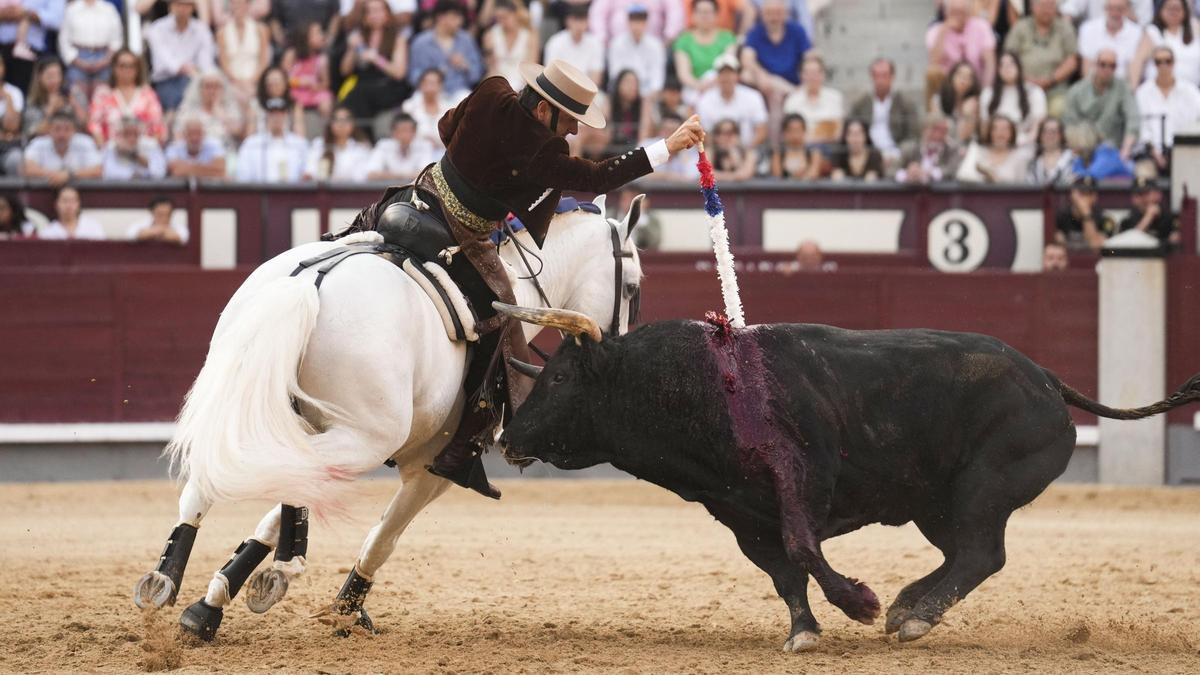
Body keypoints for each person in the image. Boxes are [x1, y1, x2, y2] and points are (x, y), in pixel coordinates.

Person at [350, 61, 704, 499]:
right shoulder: (544, 153)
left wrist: (477, 168)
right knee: (501, 322)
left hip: (418, 195)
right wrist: (666, 146)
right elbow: (598, 178)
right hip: (465, 235)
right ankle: (463, 446)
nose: (573, 131)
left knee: (353, 240)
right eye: (570, 120)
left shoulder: (490, 88)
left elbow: (446, 128)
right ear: (543, 112)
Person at [340, 0, 410, 136]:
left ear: (387, 14)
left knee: (361, 96)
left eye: (378, 11)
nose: (374, 15)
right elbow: (344, 71)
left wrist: (376, 58)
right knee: (352, 98)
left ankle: (367, 137)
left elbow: (399, 73)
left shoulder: (397, 38)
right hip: (363, 85)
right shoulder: (359, 37)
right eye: (369, 11)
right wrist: (352, 50)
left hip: (386, 86)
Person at [1062, 47, 1141, 160]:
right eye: (1103, 64)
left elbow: (1133, 119)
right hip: (1083, 150)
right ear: (1095, 65)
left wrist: (1126, 150)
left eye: (1112, 66)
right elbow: (1069, 124)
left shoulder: (1123, 88)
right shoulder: (1077, 91)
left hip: (1114, 150)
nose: (1107, 69)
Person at [1003, 0, 1079, 116]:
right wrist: (1024, 79)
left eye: (1050, 6)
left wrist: (1051, 80)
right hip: (1022, 87)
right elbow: (1009, 57)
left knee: (1060, 108)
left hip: (1055, 88)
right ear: (1032, 7)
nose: (1046, 10)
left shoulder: (1065, 28)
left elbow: (1072, 60)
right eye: (1042, 5)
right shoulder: (1020, 27)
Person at [740, 0, 810, 120]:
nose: (774, 17)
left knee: (775, 94)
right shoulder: (756, 32)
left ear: (785, 14)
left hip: (792, 80)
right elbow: (747, 58)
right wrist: (762, 75)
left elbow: (809, 55)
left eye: (778, 13)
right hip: (766, 82)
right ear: (763, 15)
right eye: (770, 13)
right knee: (748, 76)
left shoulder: (797, 30)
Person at [1135, 45, 1200, 172]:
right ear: (1154, 65)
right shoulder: (1143, 93)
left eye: (1167, 61)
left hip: (1186, 150)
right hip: (1151, 154)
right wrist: (1155, 153)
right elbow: (1142, 129)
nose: (1163, 65)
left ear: (1174, 62)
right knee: (1143, 173)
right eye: (1158, 62)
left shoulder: (1190, 91)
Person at [144, 0, 218, 112]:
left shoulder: (201, 29)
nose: (182, 8)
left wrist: (198, 73)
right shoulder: (157, 28)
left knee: (211, 88)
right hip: (166, 81)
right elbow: (165, 61)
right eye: (179, 4)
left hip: (195, 79)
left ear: (193, 8)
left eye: (187, 5)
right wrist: (186, 69)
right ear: (171, 7)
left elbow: (206, 61)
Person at [848, 58, 920, 167]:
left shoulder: (906, 104)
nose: (880, 80)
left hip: (896, 154)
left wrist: (897, 155)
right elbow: (850, 130)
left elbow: (912, 136)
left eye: (884, 75)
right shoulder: (860, 104)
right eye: (876, 75)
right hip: (867, 155)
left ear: (892, 77)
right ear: (871, 77)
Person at [88, 48, 168, 145]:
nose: (126, 70)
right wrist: (104, 151)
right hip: (112, 149)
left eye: (131, 66)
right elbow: (94, 125)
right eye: (122, 66)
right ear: (114, 68)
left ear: (137, 69)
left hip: (143, 152)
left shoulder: (147, 94)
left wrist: (149, 152)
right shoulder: (103, 93)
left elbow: (158, 126)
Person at [407, 0, 483, 98]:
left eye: (460, 17)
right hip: (428, 93)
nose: (460, 22)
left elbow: (477, 74)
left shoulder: (466, 40)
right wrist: (430, 77)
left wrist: (465, 65)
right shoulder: (420, 42)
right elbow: (413, 75)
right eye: (454, 17)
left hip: (459, 91)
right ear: (440, 17)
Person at [695, 52, 768, 148]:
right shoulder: (705, 100)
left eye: (730, 73)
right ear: (717, 76)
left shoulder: (753, 96)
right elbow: (704, 134)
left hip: (747, 150)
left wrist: (746, 150)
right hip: (717, 152)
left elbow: (762, 130)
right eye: (722, 73)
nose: (726, 77)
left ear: (737, 75)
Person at [926, 0, 996, 97]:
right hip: (948, 85)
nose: (958, 16)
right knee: (932, 73)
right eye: (954, 12)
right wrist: (944, 30)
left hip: (975, 82)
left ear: (969, 12)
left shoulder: (981, 26)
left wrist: (986, 91)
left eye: (961, 12)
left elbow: (989, 63)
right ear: (946, 12)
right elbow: (933, 62)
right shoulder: (935, 31)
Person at [980, 51, 1047, 149]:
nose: (1007, 68)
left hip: (1024, 144)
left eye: (1011, 64)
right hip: (994, 145)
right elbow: (985, 127)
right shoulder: (988, 93)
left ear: (1019, 67)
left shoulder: (1034, 92)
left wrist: (1023, 143)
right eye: (1002, 65)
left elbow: (1036, 129)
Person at [58, 0, 124, 98]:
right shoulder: (72, 9)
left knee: (103, 97)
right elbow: (63, 39)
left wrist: (106, 60)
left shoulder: (109, 9)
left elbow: (117, 39)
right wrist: (76, 61)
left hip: (104, 57)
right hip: (78, 57)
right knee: (77, 97)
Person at [235, 96, 309, 181]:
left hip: (291, 192)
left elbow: (307, 172)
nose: (276, 117)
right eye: (272, 113)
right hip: (260, 191)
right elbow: (243, 175)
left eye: (280, 113)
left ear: (286, 115)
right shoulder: (252, 143)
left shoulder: (299, 143)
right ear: (266, 116)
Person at [1128, 0, 1200, 87]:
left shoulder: (1195, 27)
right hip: (1157, 92)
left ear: (1184, 11)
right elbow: (1137, 62)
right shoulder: (1152, 32)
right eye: (1169, 9)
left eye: (1177, 9)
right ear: (1161, 10)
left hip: (1192, 93)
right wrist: (1132, 89)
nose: (1173, 12)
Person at [673, 0, 737, 98]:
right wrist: (699, 85)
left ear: (716, 15)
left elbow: (728, 65)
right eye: (700, 12)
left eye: (708, 12)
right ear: (693, 15)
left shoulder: (727, 38)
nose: (704, 16)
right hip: (694, 88)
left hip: (721, 85)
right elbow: (683, 73)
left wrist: (712, 83)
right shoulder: (684, 40)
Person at [24, 109, 102, 186]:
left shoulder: (85, 142)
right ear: (49, 130)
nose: (62, 134)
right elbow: (25, 168)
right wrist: (56, 175)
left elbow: (97, 170)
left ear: (74, 131)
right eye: (57, 129)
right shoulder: (38, 143)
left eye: (67, 129)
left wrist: (69, 175)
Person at [173, 70, 246, 148]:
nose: (212, 91)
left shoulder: (230, 108)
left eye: (216, 87)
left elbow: (237, 132)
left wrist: (218, 110)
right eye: (208, 87)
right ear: (200, 89)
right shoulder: (189, 110)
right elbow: (178, 137)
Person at [606, 3, 667, 97]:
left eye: (640, 20)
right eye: (634, 20)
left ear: (646, 22)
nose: (637, 25)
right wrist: (627, 90)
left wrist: (649, 95)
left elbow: (657, 78)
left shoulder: (656, 45)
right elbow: (615, 74)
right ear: (628, 21)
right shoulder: (617, 44)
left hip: (647, 94)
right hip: (622, 92)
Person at [782, 53, 843, 145]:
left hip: (829, 149)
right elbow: (790, 134)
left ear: (823, 74)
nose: (812, 77)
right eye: (808, 73)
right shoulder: (792, 100)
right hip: (802, 150)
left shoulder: (835, 97)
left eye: (816, 73)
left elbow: (837, 132)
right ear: (802, 75)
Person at [23, 57, 89, 141]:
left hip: (73, 141)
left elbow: (85, 125)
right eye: (50, 76)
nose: (55, 80)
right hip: (43, 143)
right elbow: (34, 134)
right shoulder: (33, 101)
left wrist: (73, 103)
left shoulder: (74, 93)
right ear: (39, 77)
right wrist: (51, 110)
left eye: (58, 75)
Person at [217, 0, 271, 102]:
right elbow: (224, 63)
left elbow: (263, 61)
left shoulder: (261, 29)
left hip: (255, 80)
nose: (238, 6)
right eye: (235, 3)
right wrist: (237, 82)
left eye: (242, 3)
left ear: (248, 5)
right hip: (231, 82)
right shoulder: (222, 32)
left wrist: (252, 81)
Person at [1078, 0, 1143, 79]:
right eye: (1111, 8)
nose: (1114, 13)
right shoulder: (1088, 29)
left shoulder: (1137, 33)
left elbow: (1135, 67)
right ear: (1105, 9)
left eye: (1119, 9)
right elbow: (1087, 65)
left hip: (1124, 84)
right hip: (1096, 82)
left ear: (1127, 10)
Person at [304, 105, 372, 181]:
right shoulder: (319, 144)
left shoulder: (360, 147)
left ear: (352, 124)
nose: (341, 124)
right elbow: (310, 172)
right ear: (330, 123)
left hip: (350, 191)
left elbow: (361, 177)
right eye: (337, 120)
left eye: (346, 120)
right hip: (324, 191)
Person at [401, 67, 462, 151]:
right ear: (420, 84)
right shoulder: (409, 106)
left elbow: (453, 135)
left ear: (440, 85)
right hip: (416, 152)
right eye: (426, 82)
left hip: (444, 152)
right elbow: (404, 134)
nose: (429, 86)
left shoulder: (450, 107)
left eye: (432, 83)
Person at [482, 0, 538, 92]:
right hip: (498, 80)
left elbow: (531, 66)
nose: (501, 21)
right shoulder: (490, 35)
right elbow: (491, 67)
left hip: (521, 82)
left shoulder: (529, 36)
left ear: (516, 14)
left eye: (505, 17)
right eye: (498, 18)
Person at [543, 3, 604, 86]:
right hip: (560, 87)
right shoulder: (555, 42)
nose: (579, 25)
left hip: (587, 89)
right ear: (568, 21)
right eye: (575, 20)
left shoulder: (595, 43)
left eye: (582, 20)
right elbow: (550, 72)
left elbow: (596, 76)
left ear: (588, 22)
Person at [957, 114, 1030, 183]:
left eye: (1005, 129)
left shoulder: (1019, 157)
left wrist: (992, 176)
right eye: (995, 129)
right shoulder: (978, 151)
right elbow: (962, 176)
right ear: (989, 132)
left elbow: (1021, 187)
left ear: (1012, 133)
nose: (1000, 133)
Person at [896, 112, 962, 183]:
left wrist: (929, 172)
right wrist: (907, 173)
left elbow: (952, 171)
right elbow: (892, 170)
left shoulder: (952, 150)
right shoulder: (909, 149)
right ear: (925, 130)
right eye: (936, 129)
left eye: (944, 131)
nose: (939, 135)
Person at [366, 112, 433, 181]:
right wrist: (405, 176)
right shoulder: (383, 145)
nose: (405, 135)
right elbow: (371, 174)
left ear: (415, 132)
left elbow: (426, 175)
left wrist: (390, 175)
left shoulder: (424, 146)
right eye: (402, 130)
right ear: (393, 132)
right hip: (388, 188)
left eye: (409, 131)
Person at [1055, 175, 1115, 252]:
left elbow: (1095, 247)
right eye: (1081, 193)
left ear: (1095, 197)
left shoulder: (1105, 218)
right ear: (1072, 194)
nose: (1084, 198)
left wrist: (1086, 213)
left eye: (1089, 194)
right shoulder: (1061, 216)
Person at [1117, 176, 1181, 247]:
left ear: (1158, 195)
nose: (1143, 199)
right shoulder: (1127, 221)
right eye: (1138, 195)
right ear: (1133, 199)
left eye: (1146, 194)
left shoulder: (1171, 219)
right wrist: (1148, 217)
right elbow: (1125, 245)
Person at [929, 60, 981, 145]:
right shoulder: (937, 100)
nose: (963, 80)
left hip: (967, 147)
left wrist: (967, 114)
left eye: (969, 77)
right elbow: (938, 131)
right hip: (943, 146)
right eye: (960, 75)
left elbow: (963, 136)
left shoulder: (974, 103)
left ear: (973, 82)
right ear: (952, 76)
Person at [589, 0, 683, 46]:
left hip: (655, 44)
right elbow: (597, 13)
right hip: (615, 45)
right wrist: (603, 39)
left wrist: (668, 37)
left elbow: (675, 11)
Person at [101, 115, 168, 179]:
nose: (132, 138)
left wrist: (134, 155)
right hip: (119, 188)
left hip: (146, 187)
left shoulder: (151, 145)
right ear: (119, 134)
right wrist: (130, 175)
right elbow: (107, 173)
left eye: (136, 134)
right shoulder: (111, 147)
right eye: (126, 134)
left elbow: (160, 172)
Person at [247, 65, 305, 137]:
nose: (274, 87)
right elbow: (249, 136)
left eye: (277, 83)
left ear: (285, 84)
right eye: (270, 84)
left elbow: (300, 136)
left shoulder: (294, 105)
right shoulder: (255, 104)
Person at [606, 69, 652, 155]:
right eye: (628, 82)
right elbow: (607, 132)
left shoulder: (643, 102)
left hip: (635, 148)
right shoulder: (609, 101)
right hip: (612, 147)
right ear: (618, 84)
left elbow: (644, 133)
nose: (633, 87)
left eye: (635, 83)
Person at [40, 185, 106, 240]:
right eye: (65, 201)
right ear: (56, 204)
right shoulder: (47, 233)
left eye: (73, 201)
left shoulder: (93, 227)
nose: (69, 205)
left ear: (79, 203)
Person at [1027, 117, 1076, 185]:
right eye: (1046, 131)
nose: (1050, 135)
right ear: (1040, 135)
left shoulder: (1072, 159)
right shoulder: (1034, 164)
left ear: (1061, 135)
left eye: (1054, 131)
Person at [770, 112, 819, 179]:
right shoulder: (778, 153)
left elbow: (813, 173)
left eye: (798, 130)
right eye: (791, 130)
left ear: (804, 131)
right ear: (784, 132)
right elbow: (777, 175)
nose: (795, 135)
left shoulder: (813, 153)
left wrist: (804, 174)